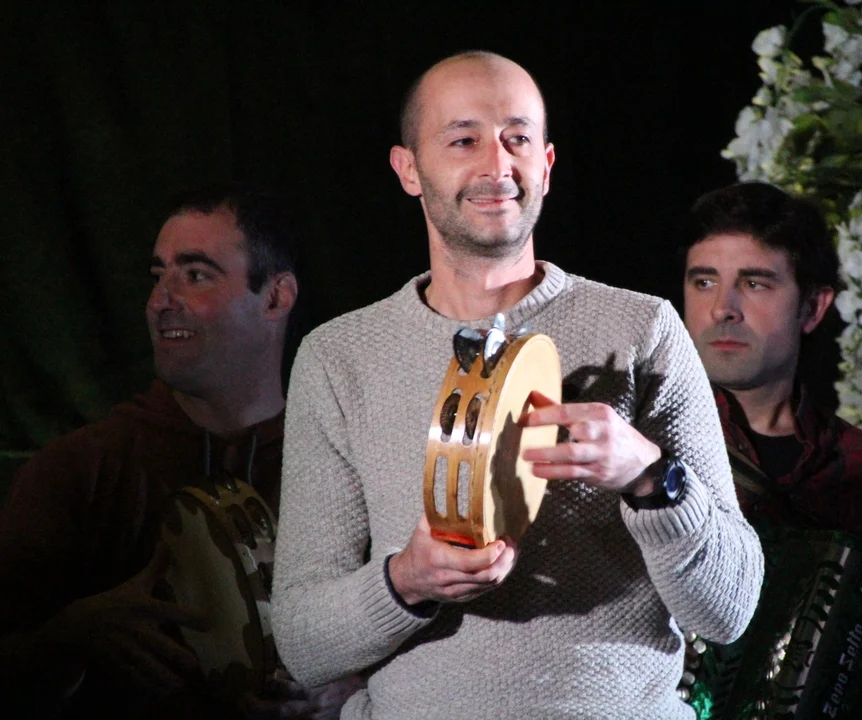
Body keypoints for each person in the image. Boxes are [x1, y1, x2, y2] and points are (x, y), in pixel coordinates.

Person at [270, 51, 764, 720]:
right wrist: (406, 581)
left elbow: (730, 611)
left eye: (518, 138)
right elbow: (302, 643)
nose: (497, 165)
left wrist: (650, 478)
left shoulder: (644, 329)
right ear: (409, 169)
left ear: (547, 165)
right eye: (463, 140)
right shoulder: (339, 358)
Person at [0, 183, 361, 719]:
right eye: (158, 276)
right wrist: (67, 640)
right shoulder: (79, 470)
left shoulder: (344, 466)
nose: (159, 302)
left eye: (195, 275)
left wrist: (351, 692)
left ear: (276, 297)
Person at [680, 182, 862, 550]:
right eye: (704, 282)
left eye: (754, 284)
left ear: (813, 307)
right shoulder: (643, 442)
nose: (722, 308)